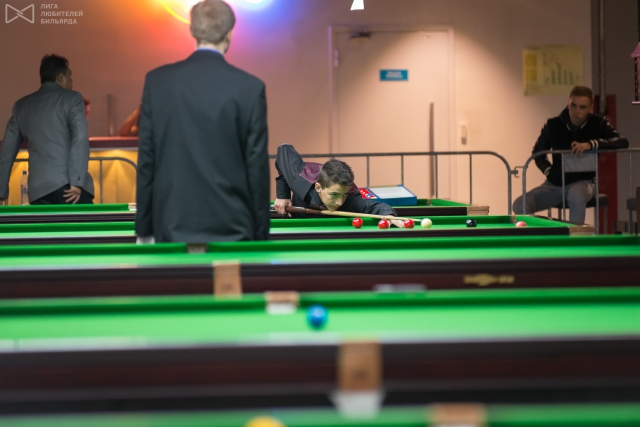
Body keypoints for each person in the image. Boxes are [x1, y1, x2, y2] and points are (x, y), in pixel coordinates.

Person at [135, 0, 270, 244]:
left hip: (171, 225)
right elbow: (257, 171)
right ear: (230, 33)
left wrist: (144, 230)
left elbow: (147, 161)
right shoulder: (250, 88)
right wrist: (260, 236)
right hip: (234, 229)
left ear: (192, 30)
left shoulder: (158, 82)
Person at [513, 86, 628, 224]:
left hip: (585, 183)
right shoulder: (553, 124)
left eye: (582, 107)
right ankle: (540, 235)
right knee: (519, 204)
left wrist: (591, 144)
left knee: (576, 194)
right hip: (555, 184)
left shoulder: (598, 124)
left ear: (590, 108)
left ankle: (575, 236)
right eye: (573, 105)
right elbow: (538, 152)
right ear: (568, 103)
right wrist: (549, 171)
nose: (576, 111)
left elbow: (622, 141)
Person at [0, 54, 94, 205]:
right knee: (83, 221)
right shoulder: (73, 99)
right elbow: (80, 138)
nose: (71, 81)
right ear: (61, 77)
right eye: (69, 76)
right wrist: (77, 181)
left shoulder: (21, 106)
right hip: (69, 188)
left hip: (37, 192)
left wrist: (1, 190)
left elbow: (6, 151)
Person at [274, 143, 404, 227]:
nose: (340, 202)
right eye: (334, 194)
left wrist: (389, 216)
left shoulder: (350, 199)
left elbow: (374, 206)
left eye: (344, 194)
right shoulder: (301, 180)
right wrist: (282, 195)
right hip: (299, 220)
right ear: (318, 188)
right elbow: (284, 149)